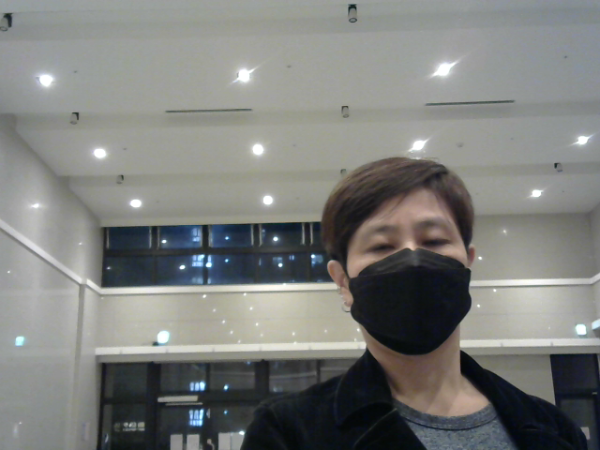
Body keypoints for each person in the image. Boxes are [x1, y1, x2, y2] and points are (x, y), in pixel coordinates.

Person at [241, 157, 586, 449]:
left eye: (434, 240)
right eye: (381, 246)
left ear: (467, 263)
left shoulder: (554, 428)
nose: (413, 259)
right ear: (343, 281)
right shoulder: (287, 432)